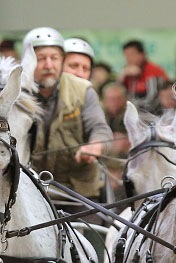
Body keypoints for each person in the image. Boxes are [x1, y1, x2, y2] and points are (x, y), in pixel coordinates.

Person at [25, 27, 113, 201]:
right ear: (27, 61)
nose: (48, 65)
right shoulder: (17, 91)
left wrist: (95, 146)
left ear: (61, 61)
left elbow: (100, 128)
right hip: (29, 192)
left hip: (78, 193)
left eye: (54, 58)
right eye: (41, 59)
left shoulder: (83, 90)